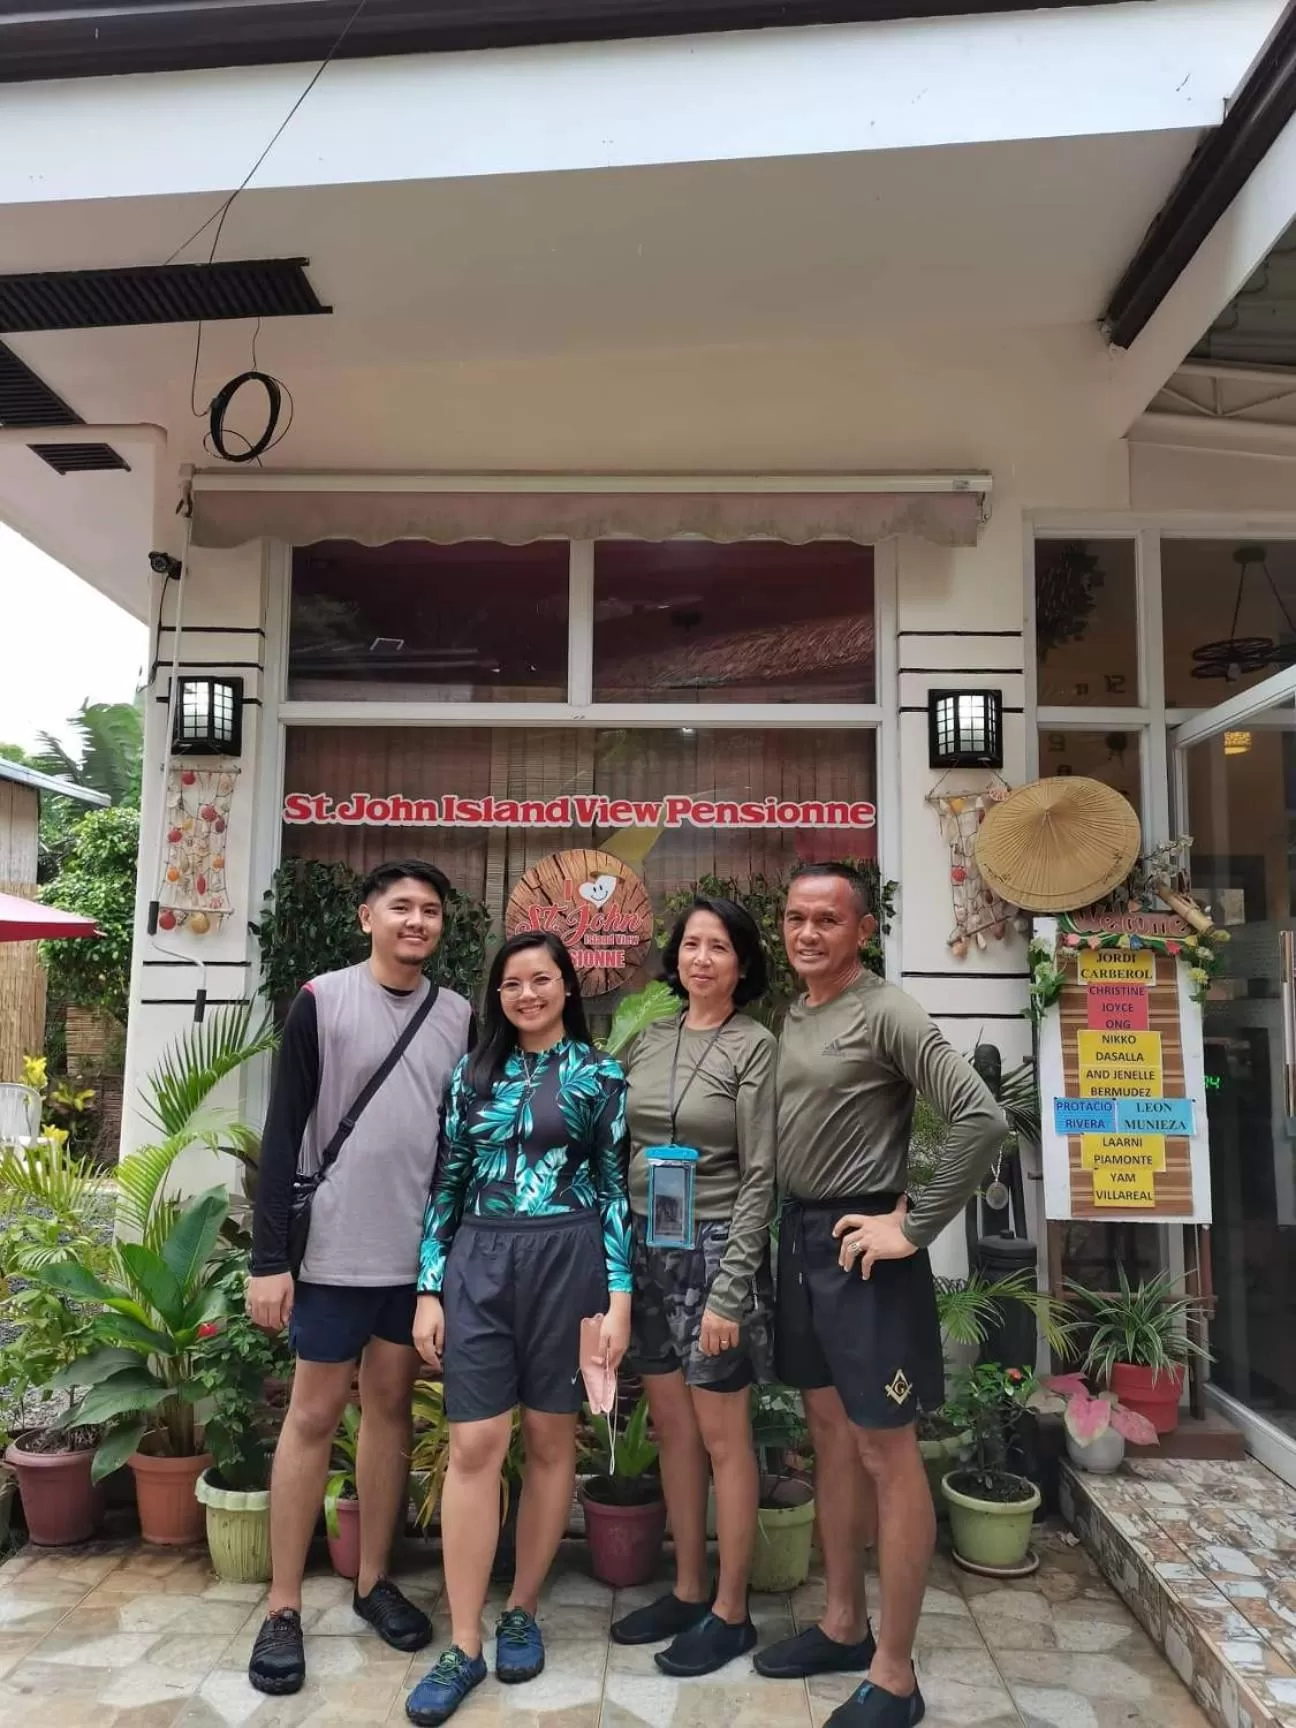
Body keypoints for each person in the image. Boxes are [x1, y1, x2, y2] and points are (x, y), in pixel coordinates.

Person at [754, 862, 1006, 1728]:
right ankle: (842, 1623)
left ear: (863, 931)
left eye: (828, 919)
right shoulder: (796, 1011)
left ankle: (895, 1674)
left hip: (867, 1256)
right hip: (805, 1242)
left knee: (884, 1454)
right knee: (829, 1438)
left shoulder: (887, 1008)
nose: (808, 932)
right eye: (795, 917)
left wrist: (916, 1224)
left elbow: (979, 1117)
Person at [244, 859, 475, 1697]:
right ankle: (280, 1607)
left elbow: (459, 1143)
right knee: (310, 1417)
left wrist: (445, 1265)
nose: (417, 921)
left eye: (430, 911)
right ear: (366, 917)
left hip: (412, 1260)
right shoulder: (321, 1000)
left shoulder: (457, 1015)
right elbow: (282, 1134)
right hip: (334, 1253)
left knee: (387, 1411)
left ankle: (374, 1580)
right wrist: (271, 1260)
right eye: (401, 907)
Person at [405, 930, 632, 1727]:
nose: (527, 993)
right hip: (479, 1265)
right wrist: (429, 1288)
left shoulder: (601, 1078)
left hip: (568, 1264)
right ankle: (463, 1642)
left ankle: (523, 1608)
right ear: (496, 995)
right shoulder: (471, 1076)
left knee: (548, 1441)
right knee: (474, 1445)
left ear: (567, 987)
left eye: (541, 979)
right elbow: (446, 1185)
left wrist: (620, 1295)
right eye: (511, 983)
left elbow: (612, 1189)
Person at [610, 895, 777, 1677]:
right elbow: (618, 1149)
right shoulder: (646, 1041)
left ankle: (732, 1611)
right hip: (647, 1248)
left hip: (715, 1252)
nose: (700, 958)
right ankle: (686, 1587)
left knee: (722, 1436)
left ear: (742, 964)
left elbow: (761, 1176)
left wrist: (730, 1292)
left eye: (718, 947)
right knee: (673, 1428)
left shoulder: (755, 1047)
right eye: (690, 945)